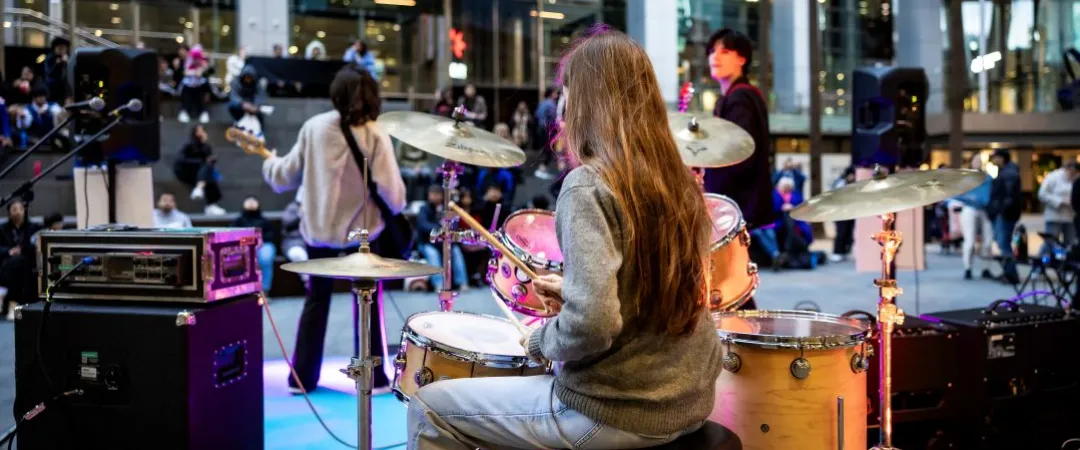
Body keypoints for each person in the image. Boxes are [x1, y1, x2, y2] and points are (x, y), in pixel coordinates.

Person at [407, 27, 722, 450]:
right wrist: (572, 291)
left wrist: (541, 340)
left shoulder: (588, 185)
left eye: (566, 91)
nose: (561, 105)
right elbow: (658, 290)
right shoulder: (678, 183)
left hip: (616, 412)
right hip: (689, 402)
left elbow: (593, 325)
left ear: (584, 101)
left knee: (428, 406)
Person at [262, 64, 406, 395]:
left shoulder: (314, 128)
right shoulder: (375, 133)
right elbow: (394, 198)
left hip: (318, 235)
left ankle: (302, 378)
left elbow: (284, 177)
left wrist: (268, 161)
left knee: (317, 300)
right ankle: (373, 378)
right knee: (367, 302)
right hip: (364, 239)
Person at [703, 29, 776, 307]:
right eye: (712, 51)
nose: (715, 57)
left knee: (731, 287)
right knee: (732, 285)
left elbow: (736, 156)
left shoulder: (740, 98)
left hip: (736, 206)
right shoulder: (736, 97)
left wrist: (710, 197)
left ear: (742, 58)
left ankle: (743, 343)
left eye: (725, 51)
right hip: (739, 203)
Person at [415, 185, 467, 291]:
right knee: (433, 254)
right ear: (429, 195)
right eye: (433, 194)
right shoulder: (424, 209)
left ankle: (462, 282)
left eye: (437, 194)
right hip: (428, 242)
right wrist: (440, 228)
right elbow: (423, 224)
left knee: (456, 251)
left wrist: (448, 229)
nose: (435, 197)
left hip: (446, 242)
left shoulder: (448, 208)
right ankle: (439, 284)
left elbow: (455, 225)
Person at [954, 155, 994, 280]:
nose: (978, 163)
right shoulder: (966, 178)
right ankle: (968, 267)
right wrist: (969, 198)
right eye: (976, 161)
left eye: (980, 161)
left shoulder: (987, 178)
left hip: (985, 210)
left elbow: (991, 194)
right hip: (970, 208)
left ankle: (985, 268)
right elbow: (956, 194)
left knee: (988, 241)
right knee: (970, 241)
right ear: (971, 163)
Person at [0, 200, 42, 321]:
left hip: (26, 264)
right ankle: (13, 305)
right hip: (7, 262)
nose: (18, 212)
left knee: (20, 263)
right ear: (9, 213)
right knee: (16, 263)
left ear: (25, 211)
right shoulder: (3, 229)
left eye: (20, 209)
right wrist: (9, 251)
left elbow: (34, 245)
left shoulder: (33, 227)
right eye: (14, 209)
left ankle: (6, 297)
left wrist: (21, 249)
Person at [172, 125, 226, 215]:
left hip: (201, 173)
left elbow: (208, 161)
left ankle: (206, 198)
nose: (203, 133)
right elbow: (180, 160)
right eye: (200, 131)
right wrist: (201, 161)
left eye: (203, 131)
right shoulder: (188, 146)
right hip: (185, 171)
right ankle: (202, 192)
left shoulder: (207, 147)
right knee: (207, 168)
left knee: (209, 171)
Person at [987, 149, 1022, 284]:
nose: (994, 160)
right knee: (1004, 243)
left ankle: (1011, 274)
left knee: (1004, 244)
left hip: (1005, 214)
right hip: (1005, 213)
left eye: (995, 157)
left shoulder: (1009, 173)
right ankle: (1009, 272)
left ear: (1002, 158)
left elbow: (1008, 197)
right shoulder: (1008, 171)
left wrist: (999, 210)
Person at [232, 196, 278, 292]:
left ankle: (264, 290)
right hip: (243, 246)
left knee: (265, 259)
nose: (251, 203)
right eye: (248, 200)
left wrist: (258, 240)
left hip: (264, 244)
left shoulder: (265, 221)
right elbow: (233, 236)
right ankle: (243, 291)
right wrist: (249, 241)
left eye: (254, 201)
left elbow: (271, 235)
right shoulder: (238, 221)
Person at [1037, 161, 1078, 255]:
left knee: (1070, 241)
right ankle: (1042, 260)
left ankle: (1067, 262)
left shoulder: (1075, 179)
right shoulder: (1053, 177)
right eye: (1072, 172)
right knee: (1051, 240)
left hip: (1070, 216)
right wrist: (1059, 202)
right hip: (1054, 215)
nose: (1073, 174)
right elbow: (1042, 194)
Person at [829, 167, 856, 262]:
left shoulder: (855, 184)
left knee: (849, 233)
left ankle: (845, 252)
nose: (853, 177)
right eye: (852, 175)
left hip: (851, 212)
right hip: (840, 212)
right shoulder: (840, 183)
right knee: (841, 233)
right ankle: (837, 252)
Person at [43, 37, 70, 104]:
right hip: (52, 88)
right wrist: (57, 64)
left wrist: (67, 62)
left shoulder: (68, 57)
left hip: (64, 89)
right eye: (59, 48)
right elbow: (48, 72)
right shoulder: (50, 57)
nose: (61, 50)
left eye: (63, 48)